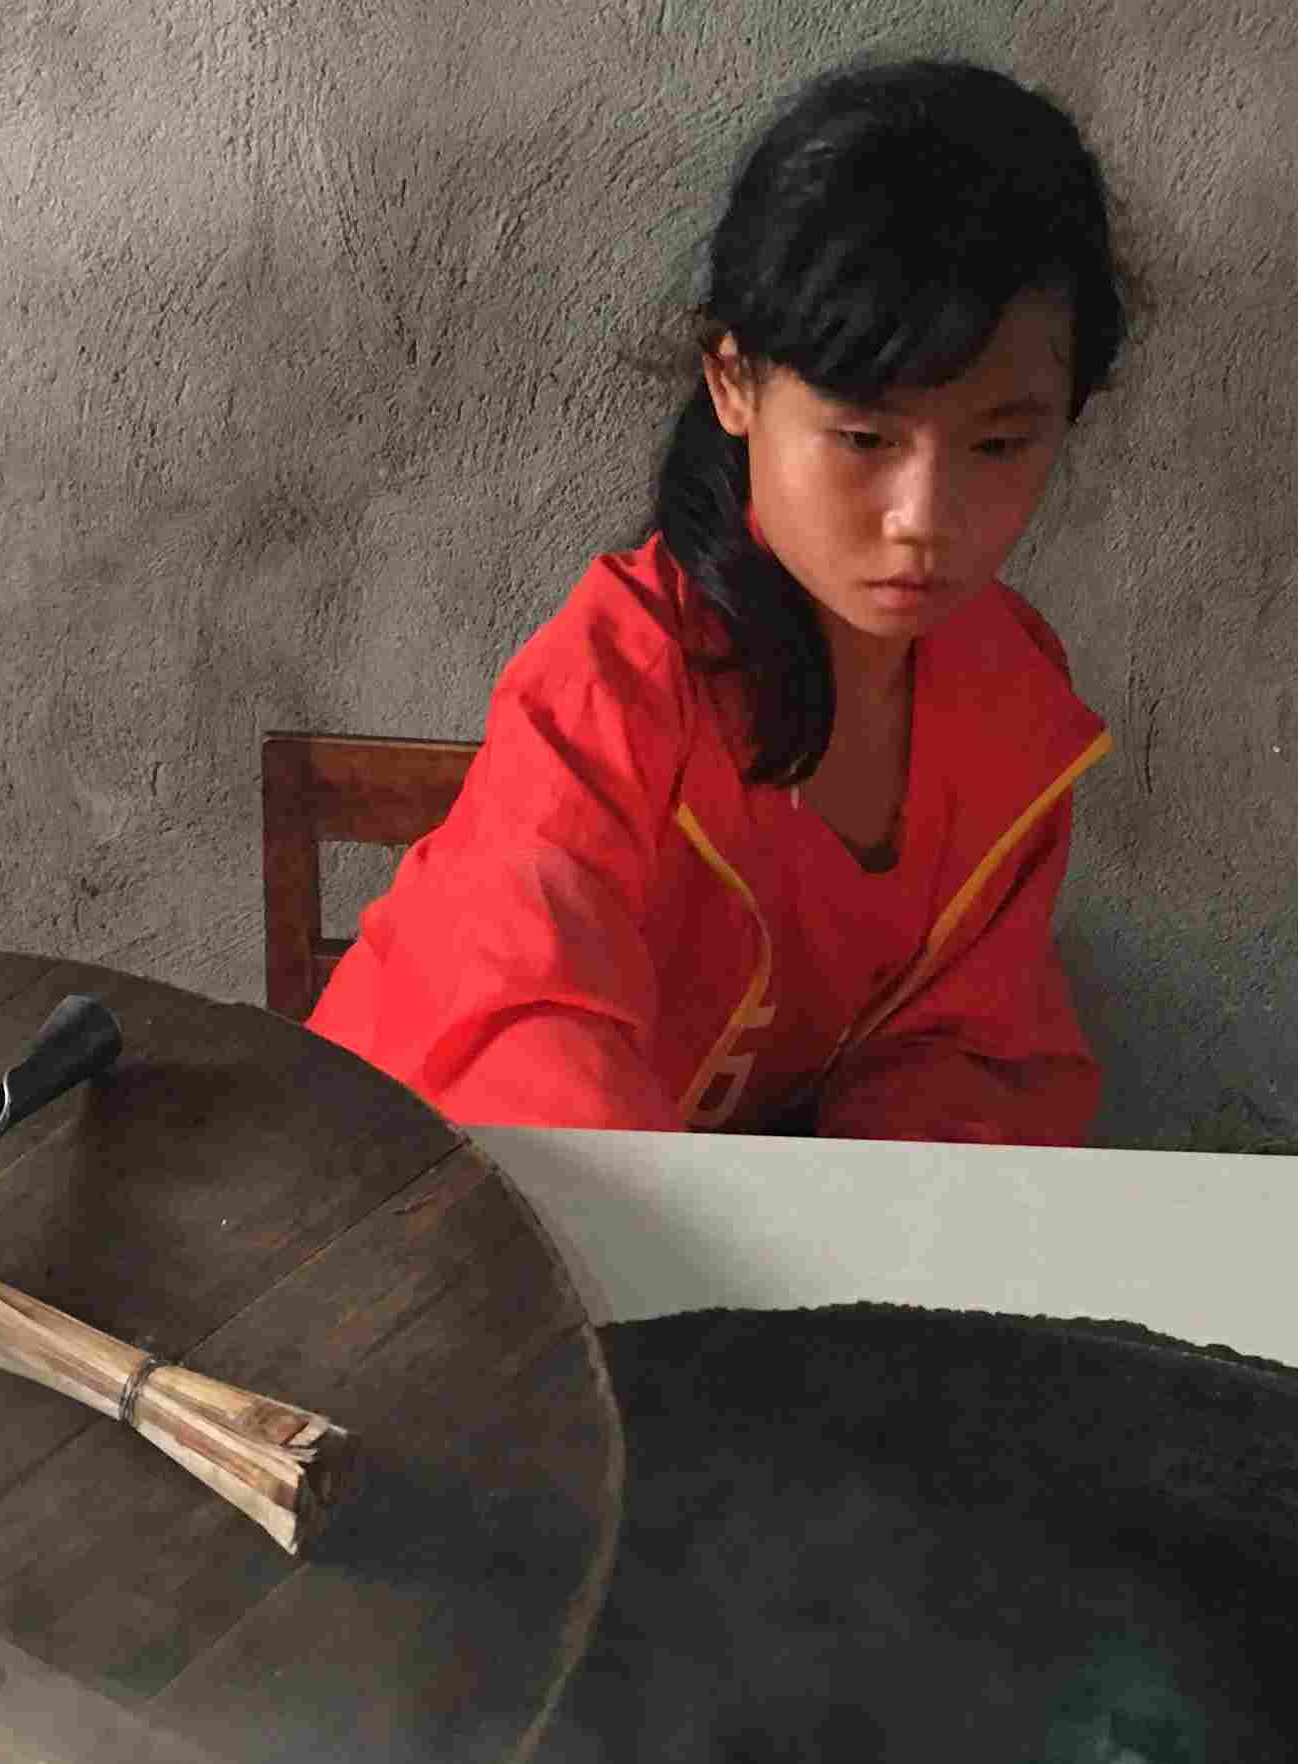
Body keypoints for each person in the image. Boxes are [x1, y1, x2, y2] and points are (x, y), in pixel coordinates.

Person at [306, 58, 1132, 1143]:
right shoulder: (616, 680)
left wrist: (884, 1221)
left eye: (1000, 445)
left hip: (716, 1194)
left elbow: (962, 1055)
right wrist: (699, 1239)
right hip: (416, 1172)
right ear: (734, 383)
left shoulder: (1012, 694)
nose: (924, 519)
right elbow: (526, 1041)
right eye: (863, 437)